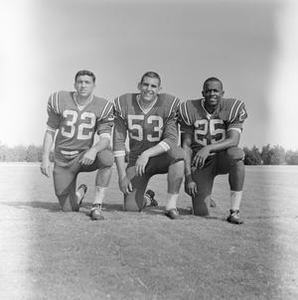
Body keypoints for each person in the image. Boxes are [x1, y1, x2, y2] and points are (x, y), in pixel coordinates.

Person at [40, 70, 114, 220]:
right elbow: (50, 131)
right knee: (68, 209)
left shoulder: (103, 105)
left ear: (94, 85)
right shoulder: (59, 99)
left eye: (87, 82)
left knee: (106, 157)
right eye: (80, 82)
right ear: (74, 84)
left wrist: (93, 150)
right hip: (62, 160)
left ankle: (97, 205)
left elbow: (106, 139)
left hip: (83, 157)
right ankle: (79, 193)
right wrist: (45, 157)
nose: (83, 85)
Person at [113, 71, 185, 219]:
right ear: (139, 86)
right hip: (136, 161)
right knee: (131, 208)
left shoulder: (169, 104)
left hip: (161, 158)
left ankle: (171, 206)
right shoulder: (124, 103)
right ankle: (148, 199)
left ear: (159, 89)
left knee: (178, 155)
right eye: (145, 84)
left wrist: (146, 154)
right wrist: (122, 176)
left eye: (153, 86)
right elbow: (118, 141)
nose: (149, 89)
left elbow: (171, 140)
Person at [178, 77, 248, 224]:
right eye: (208, 91)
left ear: (222, 93)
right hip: (201, 162)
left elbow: (234, 140)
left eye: (216, 90)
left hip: (223, 157)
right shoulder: (189, 109)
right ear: (203, 93)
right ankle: (205, 198)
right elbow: (185, 146)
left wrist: (208, 148)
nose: (212, 94)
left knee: (237, 155)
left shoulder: (232, 107)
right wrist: (189, 177)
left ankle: (234, 211)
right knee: (200, 213)